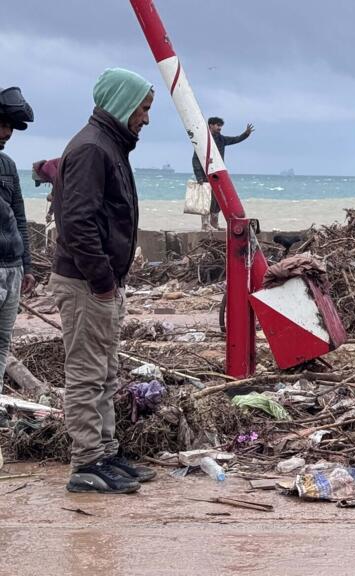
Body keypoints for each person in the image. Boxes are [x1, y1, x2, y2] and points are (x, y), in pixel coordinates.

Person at [53, 68, 158, 494]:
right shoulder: (93, 149)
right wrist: (101, 281)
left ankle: (106, 452)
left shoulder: (108, 145)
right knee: (86, 372)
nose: (146, 119)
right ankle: (86, 463)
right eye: (143, 109)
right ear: (122, 104)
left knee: (106, 371)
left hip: (99, 281)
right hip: (85, 283)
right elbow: (76, 223)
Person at [0, 86, 36, 389]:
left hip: (12, 268)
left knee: (2, 342)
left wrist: (28, 265)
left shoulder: (8, 166)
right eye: (2, 124)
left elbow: (20, 217)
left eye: (10, 126)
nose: (7, 132)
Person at [191, 116, 254, 231]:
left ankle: (214, 224)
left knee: (218, 200)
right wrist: (199, 176)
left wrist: (246, 134)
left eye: (220, 126)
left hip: (218, 174)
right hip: (205, 174)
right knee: (206, 200)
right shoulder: (203, 140)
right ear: (210, 125)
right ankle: (205, 224)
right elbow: (195, 159)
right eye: (217, 125)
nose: (219, 128)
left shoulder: (221, 139)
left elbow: (235, 139)